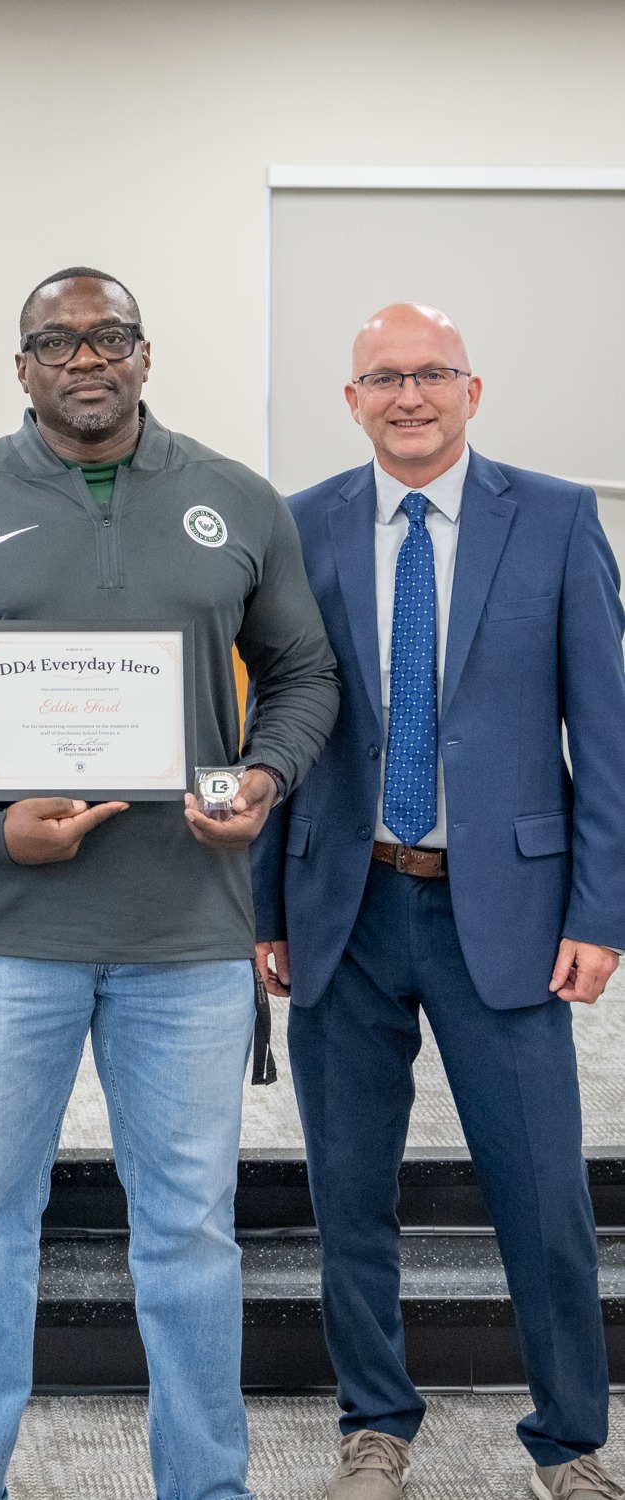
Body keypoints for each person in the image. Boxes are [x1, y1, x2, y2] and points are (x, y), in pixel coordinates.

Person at [0, 268, 339, 1500]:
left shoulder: (235, 502)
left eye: (108, 335)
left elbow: (303, 675)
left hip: (186, 936)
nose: (85, 358)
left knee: (188, 1236)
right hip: (4, 935)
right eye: (56, 342)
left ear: (145, 354)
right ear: (20, 368)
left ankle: (206, 1486)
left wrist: (267, 777)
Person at [250, 303, 625, 1500]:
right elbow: (271, 729)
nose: (408, 397)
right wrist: (264, 905)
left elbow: (609, 741)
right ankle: (377, 1424)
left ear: (473, 390)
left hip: (506, 912)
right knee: (349, 1192)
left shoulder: (559, 520)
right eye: (382, 378)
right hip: (342, 908)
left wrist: (603, 913)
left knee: (544, 1196)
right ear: (351, 399)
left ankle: (571, 1440)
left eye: (430, 375)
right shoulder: (299, 527)